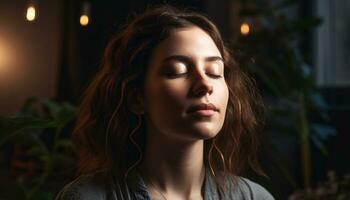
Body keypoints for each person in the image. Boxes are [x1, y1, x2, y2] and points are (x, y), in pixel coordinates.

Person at [56, 5, 274, 200]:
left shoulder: (254, 197)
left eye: (215, 72)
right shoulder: (88, 196)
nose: (205, 84)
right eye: (177, 71)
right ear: (136, 97)